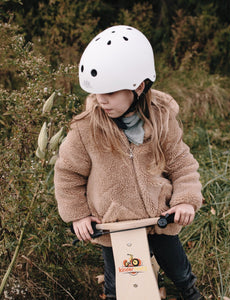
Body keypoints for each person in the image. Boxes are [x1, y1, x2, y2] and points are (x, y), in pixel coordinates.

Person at [54, 25, 204, 300]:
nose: (101, 100)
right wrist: (78, 214)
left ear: (138, 86)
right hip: (115, 225)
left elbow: (181, 163)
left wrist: (185, 200)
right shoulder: (86, 129)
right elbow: (68, 174)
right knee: (117, 286)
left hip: (160, 219)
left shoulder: (161, 119)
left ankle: (189, 293)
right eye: (98, 92)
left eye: (110, 92)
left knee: (179, 272)